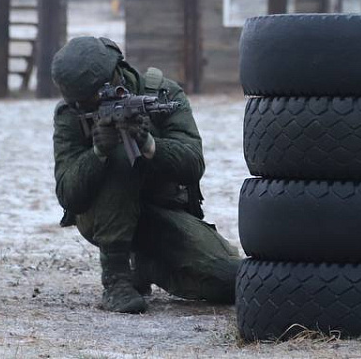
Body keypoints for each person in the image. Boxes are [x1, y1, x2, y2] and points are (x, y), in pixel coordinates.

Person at [51, 36, 240, 313]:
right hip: (102, 219)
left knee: (232, 279)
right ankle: (116, 280)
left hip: (162, 214)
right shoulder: (71, 115)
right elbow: (69, 195)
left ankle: (148, 267)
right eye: (89, 101)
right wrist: (98, 153)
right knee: (119, 156)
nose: (97, 101)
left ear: (117, 71)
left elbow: (193, 164)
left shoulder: (162, 94)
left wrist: (149, 144)